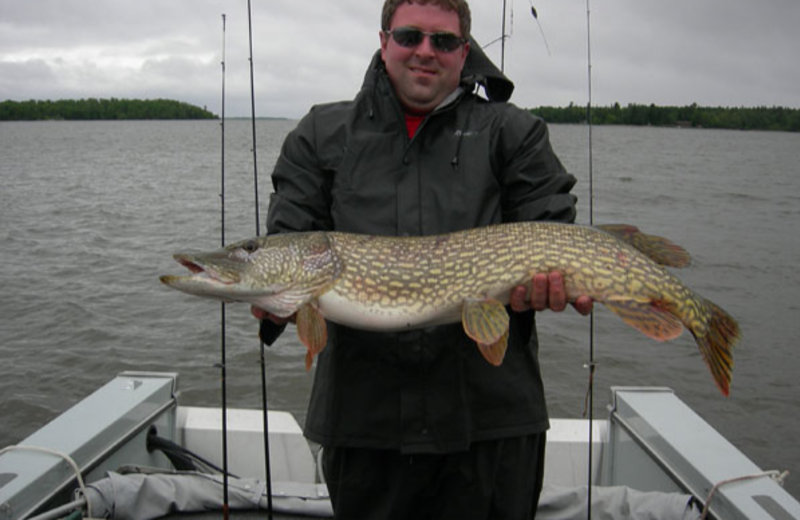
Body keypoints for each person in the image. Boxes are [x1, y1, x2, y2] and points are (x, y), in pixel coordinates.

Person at [254, 0, 592, 518]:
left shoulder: (513, 132)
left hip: (492, 425)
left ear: (465, 51)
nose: (425, 52)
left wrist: (552, 283)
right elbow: (291, 239)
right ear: (384, 40)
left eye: (444, 41)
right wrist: (274, 301)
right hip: (367, 429)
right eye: (410, 36)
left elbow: (552, 226)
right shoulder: (322, 134)